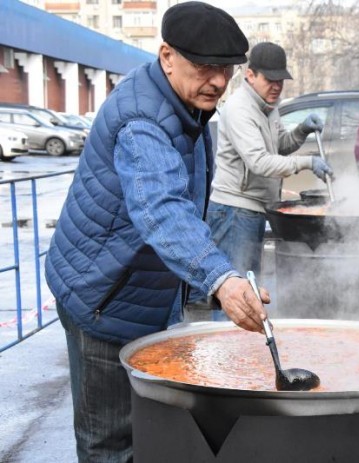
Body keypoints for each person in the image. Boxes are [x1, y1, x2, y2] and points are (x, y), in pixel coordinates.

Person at [44, 3, 270, 461]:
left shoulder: (185, 102)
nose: (220, 81)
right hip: (104, 299)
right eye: (205, 67)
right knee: (108, 441)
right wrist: (220, 277)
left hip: (138, 289)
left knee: (146, 427)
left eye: (227, 69)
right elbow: (161, 208)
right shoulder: (142, 120)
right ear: (167, 56)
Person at [207, 41, 333, 279]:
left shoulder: (269, 105)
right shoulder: (239, 109)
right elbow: (260, 162)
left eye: (280, 81)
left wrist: (302, 130)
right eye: (270, 80)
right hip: (234, 210)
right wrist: (307, 163)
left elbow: (280, 146)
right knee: (234, 290)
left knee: (249, 290)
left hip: (254, 208)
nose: (276, 87)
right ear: (250, 75)